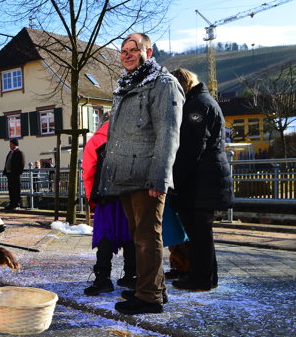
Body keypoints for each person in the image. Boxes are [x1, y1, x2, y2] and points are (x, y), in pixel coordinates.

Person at [97, 32, 184, 315]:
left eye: (134, 49)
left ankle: (148, 298)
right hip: (125, 176)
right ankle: (154, 289)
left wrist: (159, 177)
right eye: (122, 51)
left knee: (148, 237)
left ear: (149, 51)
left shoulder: (163, 84)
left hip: (147, 175)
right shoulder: (126, 86)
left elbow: (168, 134)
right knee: (140, 237)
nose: (127, 54)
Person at [169, 68, 234, 291]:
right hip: (205, 180)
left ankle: (201, 279)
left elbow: (191, 149)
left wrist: (175, 181)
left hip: (200, 182)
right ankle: (206, 277)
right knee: (201, 234)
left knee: (199, 235)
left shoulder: (196, 106)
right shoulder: (203, 101)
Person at [81, 120, 136, 295]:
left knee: (105, 234)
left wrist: (92, 199)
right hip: (129, 194)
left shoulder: (96, 141)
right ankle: (132, 275)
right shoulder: (133, 137)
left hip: (106, 196)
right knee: (130, 234)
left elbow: (88, 171)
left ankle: (103, 278)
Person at [2, 139, 24, 210]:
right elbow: (7, 162)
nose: (9, 145)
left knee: (16, 190)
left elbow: (22, 163)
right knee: (11, 190)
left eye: (11, 144)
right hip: (9, 174)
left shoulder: (19, 152)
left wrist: (18, 173)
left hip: (15, 174)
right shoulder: (10, 152)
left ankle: (16, 204)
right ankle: (11, 204)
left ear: (14, 144)